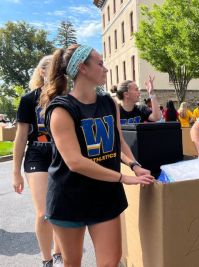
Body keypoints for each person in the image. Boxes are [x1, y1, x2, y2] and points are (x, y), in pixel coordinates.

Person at [41, 44, 154, 267]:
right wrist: (124, 178)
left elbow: (118, 142)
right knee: (73, 262)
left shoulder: (109, 103)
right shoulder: (61, 109)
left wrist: (134, 165)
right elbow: (75, 162)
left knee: (111, 262)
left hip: (105, 195)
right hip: (69, 198)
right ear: (82, 68)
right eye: (100, 64)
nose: (106, 69)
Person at [12, 55, 63, 267]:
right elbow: (21, 137)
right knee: (44, 212)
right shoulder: (28, 100)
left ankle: (59, 253)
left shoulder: (65, 98)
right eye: (52, 68)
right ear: (42, 72)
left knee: (60, 209)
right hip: (37, 154)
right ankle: (47, 260)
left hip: (61, 153)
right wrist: (15, 172)